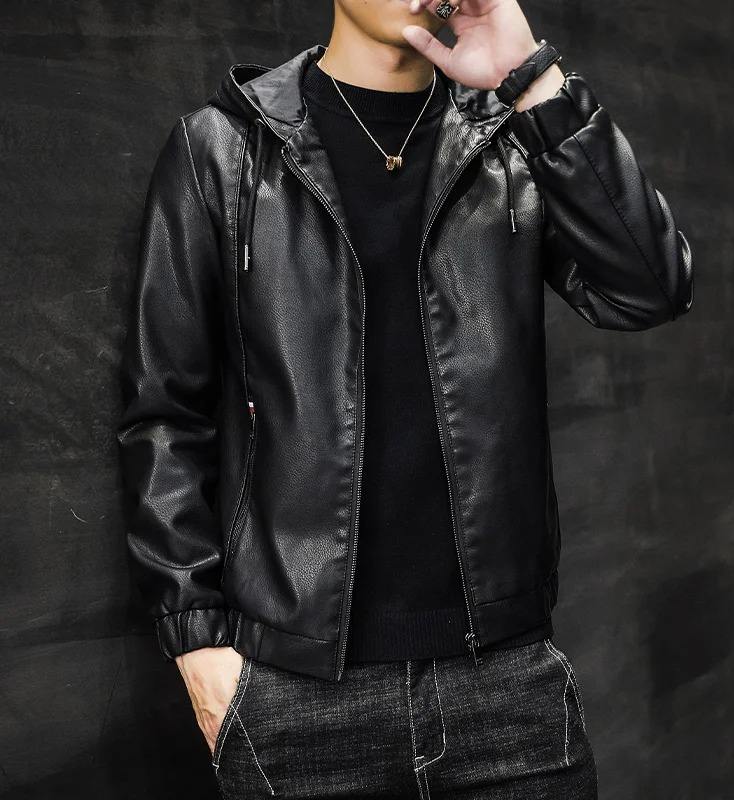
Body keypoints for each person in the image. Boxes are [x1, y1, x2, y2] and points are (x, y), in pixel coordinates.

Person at [116, 0, 694, 797]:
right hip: (293, 691)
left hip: (507, 689)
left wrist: (533, 82)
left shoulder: (509, 139)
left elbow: (649, 289)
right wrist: (197, 645)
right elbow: (163, 415)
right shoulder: (222, 149)